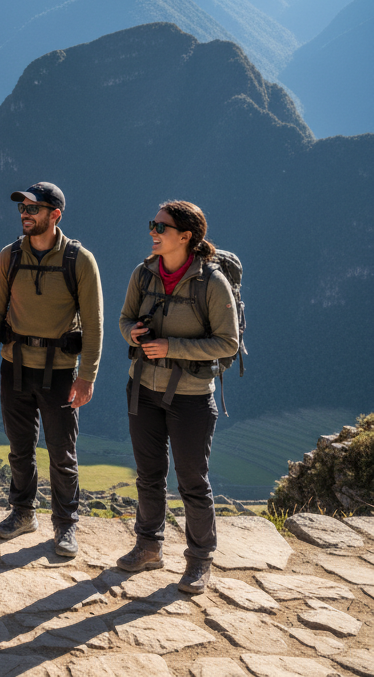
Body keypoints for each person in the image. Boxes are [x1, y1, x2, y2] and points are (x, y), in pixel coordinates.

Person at [116, 200, 238, 594]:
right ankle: (148, 546)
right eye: (153, 223)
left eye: (161, 226)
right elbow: (123, 319)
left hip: (190, 397)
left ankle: (200, 561)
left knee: (191, 480)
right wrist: (132, 332)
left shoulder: (212, 283)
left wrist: (172, 347)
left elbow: (228, 343)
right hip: (143, 390)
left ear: (185, 237)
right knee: (149, 475)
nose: (153, 231)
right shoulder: (144, 273)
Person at [0, 182, 103, 558]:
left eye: (34, 209)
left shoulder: (79, 261)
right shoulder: (9, 256)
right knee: (19, 449)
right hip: (15, 365)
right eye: (23, 208)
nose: (25, 214)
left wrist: (87, 377)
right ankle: (22, 513)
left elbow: (94, 323)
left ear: (55, 215)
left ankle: (65, 525)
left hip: (61, 372)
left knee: (62, 453)